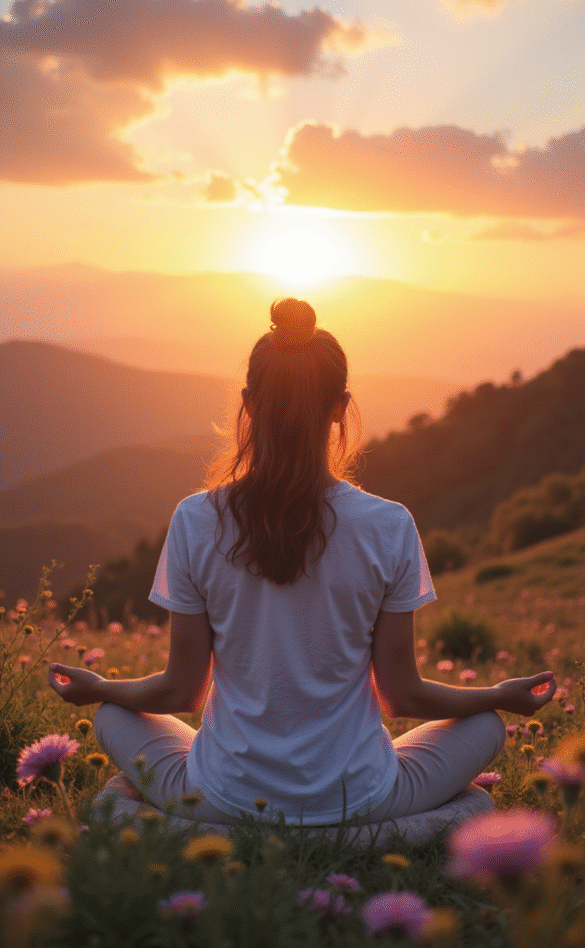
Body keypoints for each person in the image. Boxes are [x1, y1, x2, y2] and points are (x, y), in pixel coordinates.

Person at [48, 298, 557, 827]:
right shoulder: (389, 525)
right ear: (340, 407)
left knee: (112, 714)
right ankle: (387, 830)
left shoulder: (195, 519)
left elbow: (181, 690)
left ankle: (192, 825)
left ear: (248, 404)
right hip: (358, 796)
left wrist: (99, 688)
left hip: (225, 795)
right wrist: (497, 694)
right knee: (488, 724)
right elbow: (403, 695)